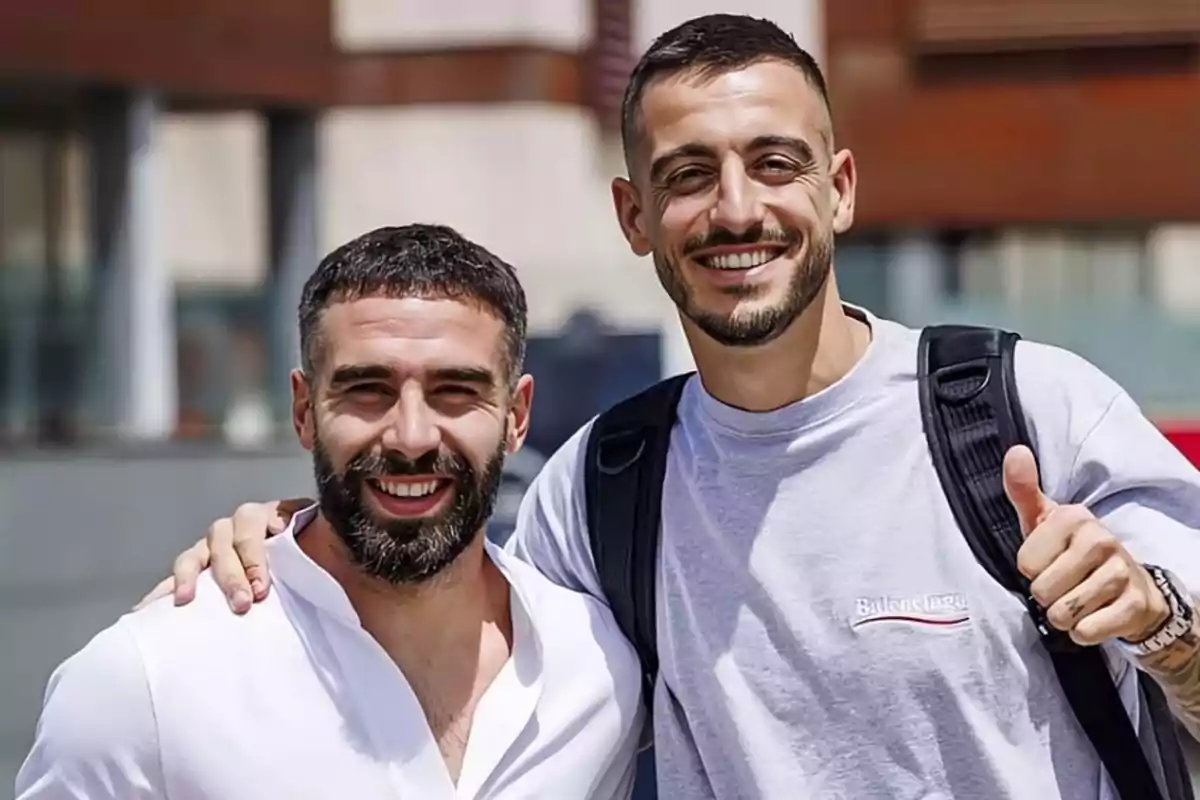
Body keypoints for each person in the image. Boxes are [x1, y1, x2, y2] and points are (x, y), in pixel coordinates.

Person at [143, 14, 1200, 800]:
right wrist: (292, 546)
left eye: (773, 165)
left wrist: (1162, 623)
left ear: (838, 187)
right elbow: (437, 629)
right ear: (634, 214)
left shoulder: (1026, 409)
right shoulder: (601, 484)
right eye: (689, 174)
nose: (736, 208)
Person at [15, 225, 644, 799]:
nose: (411, 436)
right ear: (303, 410)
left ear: (517, 416)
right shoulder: (146, 683)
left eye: (456, 391)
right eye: (367, 390)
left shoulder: (598, 667)